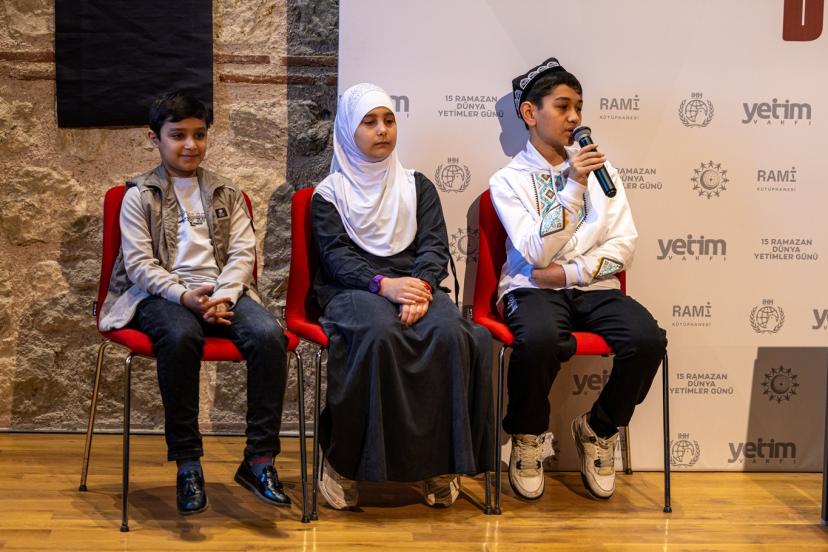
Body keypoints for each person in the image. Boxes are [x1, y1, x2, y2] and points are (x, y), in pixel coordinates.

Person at [98, 91, 291, 515]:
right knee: (181, 336)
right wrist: (184, 296)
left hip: (222, 293)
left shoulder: (227, 192)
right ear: (155, 138)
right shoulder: (139, 196)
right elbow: (140, 266)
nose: (190, 145)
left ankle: (259, 460)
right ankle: (188, 463)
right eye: (178, 135)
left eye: (199, 135)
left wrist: (222, 296)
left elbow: (242, 254)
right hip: (161, 295)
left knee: (269, 336)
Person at [489, 58, 667, 501]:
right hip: (531, 288)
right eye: (563, 106)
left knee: (647, 339)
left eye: (579, 108)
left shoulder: (605, 172)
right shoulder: (508, 181)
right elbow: (535, 253)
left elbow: (624, 246)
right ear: (530, 113)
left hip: (592, 288)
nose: (574, 118)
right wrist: (572, 185)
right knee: (539, 339)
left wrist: (569, 273)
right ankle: (528, 436)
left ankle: (599, 430)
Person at [311, 82, 493, 510]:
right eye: (369, 122)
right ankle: (343, 464)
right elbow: (336, 257)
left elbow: (434, 245)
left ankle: (437, 465)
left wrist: (422, 288)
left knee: (451, 334)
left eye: (388, 120)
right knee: (378, 335)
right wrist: (383, 285)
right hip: (353, 288)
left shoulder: (418, 185)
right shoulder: (329, 194)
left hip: (414, 284)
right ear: (348, 131)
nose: (382, 130)